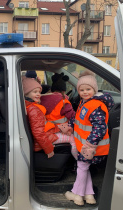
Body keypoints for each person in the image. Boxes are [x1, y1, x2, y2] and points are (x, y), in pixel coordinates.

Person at [65, 70, 114, 206]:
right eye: (81, 90)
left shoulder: (96, 106)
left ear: (94, 89)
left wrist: (90, 145)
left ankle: (77, 195)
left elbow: (100, 128)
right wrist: (69, 125)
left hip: (91, 147)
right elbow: (77, 116)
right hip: (85, 145)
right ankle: (89, 195)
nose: (85, 92)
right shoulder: (85, 102)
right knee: (83, 168)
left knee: (82, 168)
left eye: (88, 89)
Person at [22, 76, 78, 159]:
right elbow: (38, 133)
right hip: (41, 142)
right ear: (26, 93)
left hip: (44, 136)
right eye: (35, 92)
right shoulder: (34, 109)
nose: (38, 94)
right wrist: (48, 149)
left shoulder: (32, 106)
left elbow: (42, 126)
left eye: (39, 92)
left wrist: (60, 128)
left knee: (68, 132)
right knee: (73, 139)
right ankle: (80, 163)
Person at [40, 73, 75, 142]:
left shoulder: (41, 98)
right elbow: (73, 116)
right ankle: (76, 153)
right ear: (64, 91)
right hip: (59, 131)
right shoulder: (63, 102)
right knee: (75, 140)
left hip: (46, 130)